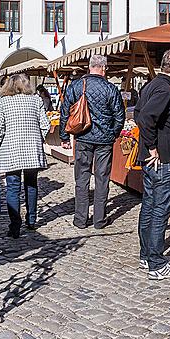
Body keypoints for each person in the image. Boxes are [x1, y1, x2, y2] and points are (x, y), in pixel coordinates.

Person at [135, 48, 170, 280]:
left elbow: (138, 112)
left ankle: (147, 255)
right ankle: (157, 263)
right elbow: (145, 117)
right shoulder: (165, 90)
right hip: (163, 159)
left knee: (149, 205)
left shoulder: (151, 85)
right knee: (160, 209)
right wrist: (153, 146)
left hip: (154, 158)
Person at [59, 54, 125, 229]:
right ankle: (99, 219)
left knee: (82, 179)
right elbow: (120, 116)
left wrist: (64, 137)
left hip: (82, 138)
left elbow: (65, 112)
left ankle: (80, 219)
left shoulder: (75, 86)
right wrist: (113, 134)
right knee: (102, 179)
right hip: (104, 140)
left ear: (89, 67)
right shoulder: (111, 88)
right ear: (104, 68)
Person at [0, 74, 50, 237]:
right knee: (31, 184)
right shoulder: (36, 100)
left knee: (12, 187)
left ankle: (15, 225)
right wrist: (38, 140)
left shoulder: (3, 102)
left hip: (11, 149)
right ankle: (31, 220)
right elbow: (45, 125)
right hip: (32, 149)